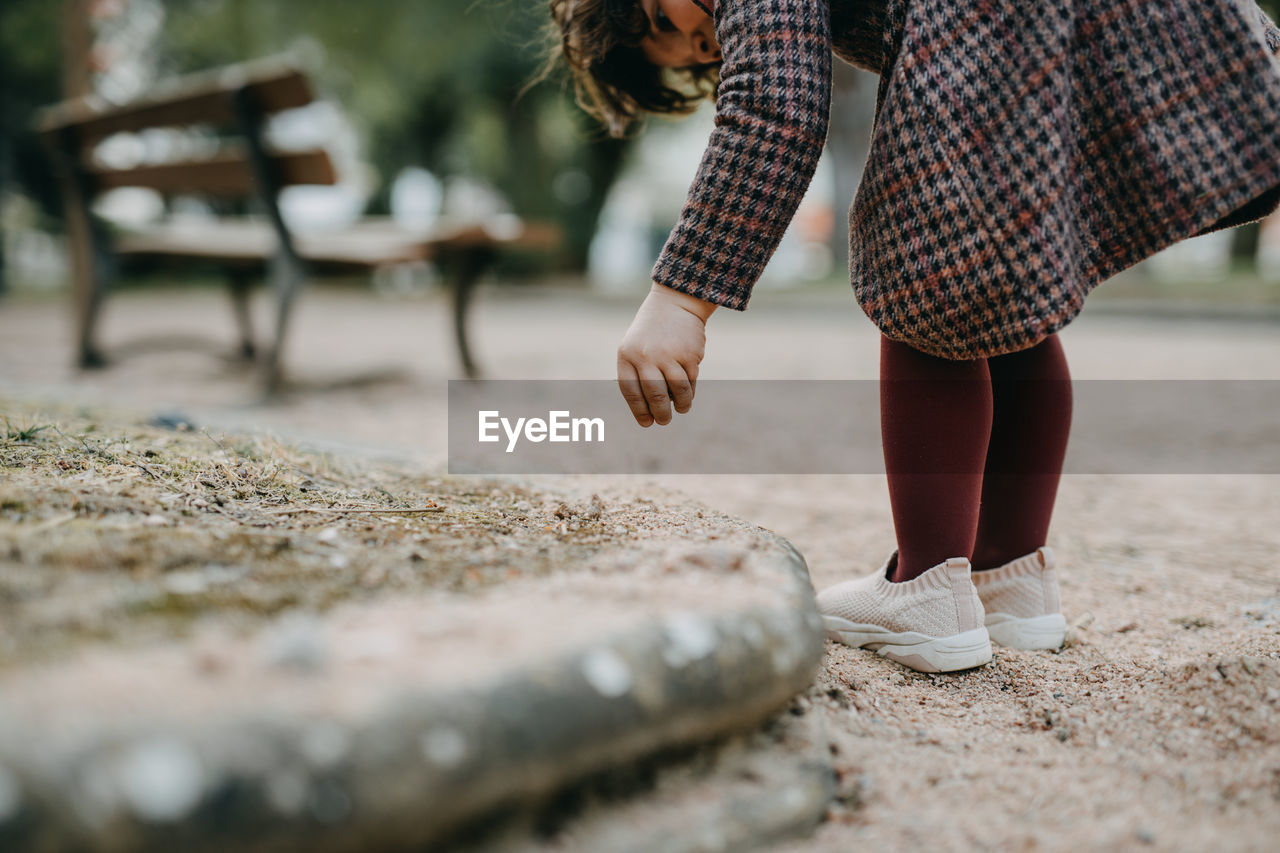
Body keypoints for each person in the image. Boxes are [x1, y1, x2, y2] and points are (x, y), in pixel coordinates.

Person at [547, 0, 1280, 671]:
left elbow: (776, 104)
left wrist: (681, 297)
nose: (711, 43)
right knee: (1000, 272)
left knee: (924, 261)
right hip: (1054, 29)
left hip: (986, 28)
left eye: (682, 29)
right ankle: (1009, 574)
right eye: (704, 57)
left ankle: (927, 585)